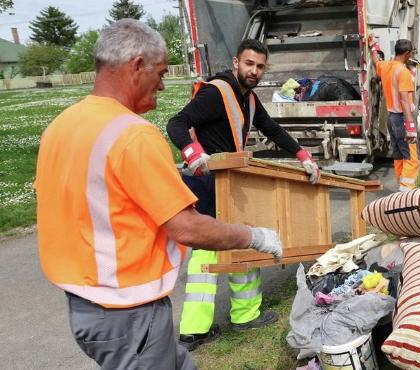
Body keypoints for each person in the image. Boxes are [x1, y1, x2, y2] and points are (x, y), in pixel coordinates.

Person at [35, 19, 284, 370]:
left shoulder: (62, 126)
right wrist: (254, 235)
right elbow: (188, 228)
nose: (164, 85)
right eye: (161, 72)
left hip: (87, 304)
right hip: (127, 310)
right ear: (137, 66)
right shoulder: (133, 136)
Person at [166, 38, 320, 350]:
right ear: (236, 63)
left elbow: (271, 129)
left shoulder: (248, 98)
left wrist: (303, 155)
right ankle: (199, 328)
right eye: (249, 64)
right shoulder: (216, 91)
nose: (254, 71)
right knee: (213, 251)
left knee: (237, 242)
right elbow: (177, 123)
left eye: (260, 66)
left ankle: (236, 317)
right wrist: (194, 153)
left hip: (228, 182)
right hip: (207, 181)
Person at [369, 36, 419, 191]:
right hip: (402, 118)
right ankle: (406, 191)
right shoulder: (403, 72)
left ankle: (401, 186)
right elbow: (404, 101)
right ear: (407, 54)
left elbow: (376, 61)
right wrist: (410, 127)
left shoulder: (386, 67)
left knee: (398, 154)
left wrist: (373, 47)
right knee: (411, 158)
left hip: (391, 119)